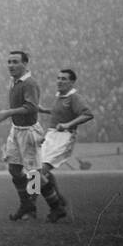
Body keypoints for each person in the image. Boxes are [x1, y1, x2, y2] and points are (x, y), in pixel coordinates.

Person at [0, 50, 45, 221]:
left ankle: (31, 207)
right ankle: (26, 204)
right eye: (9, 62)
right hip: (16, 129)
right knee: (13, 168)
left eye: (15, 62)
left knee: (34, 172)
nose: (11, 65)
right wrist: (5, 113)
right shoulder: (15, 82)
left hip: (29, 131)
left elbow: (31, 107)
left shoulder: (29, 83)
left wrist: (7, 112)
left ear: (25, 64)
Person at [35, 68, 94, 222]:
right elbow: (58, 112)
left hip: (63, 138)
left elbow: (88, 114)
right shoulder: (60, 97)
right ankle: (58, 201)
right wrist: (44, 110)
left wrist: (68, 124)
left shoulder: (74, 97)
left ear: (72, 82)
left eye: (64, 79)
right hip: (51, 135)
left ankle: (56, 208)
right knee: (36, 172)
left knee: (37, 174)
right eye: (58, 78)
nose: (60, 81)